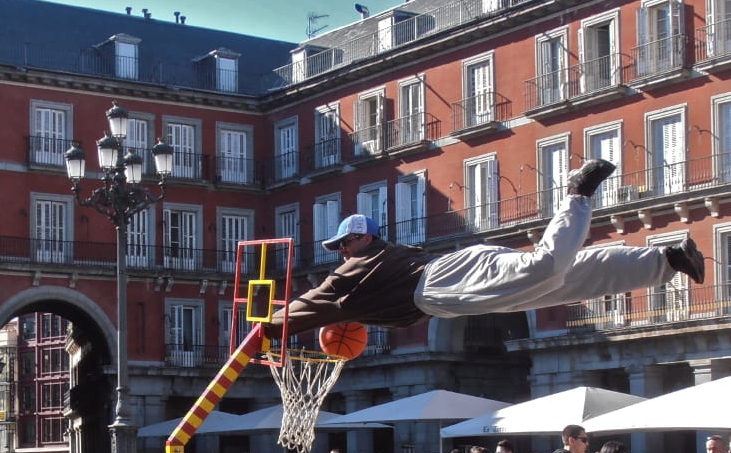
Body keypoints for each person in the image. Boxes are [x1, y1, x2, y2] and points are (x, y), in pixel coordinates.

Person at [265, 161, 704, 339]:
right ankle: (667, 260)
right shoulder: (383, 256)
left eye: (344, 242)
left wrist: (264, 332)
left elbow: (310, 304)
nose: (340, 251)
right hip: (447, 285)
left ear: (362, 239)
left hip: (440, 284)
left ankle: (576, 192)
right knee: (569, 279)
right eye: (338, 246)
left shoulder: (359, 268)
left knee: (546, 267)